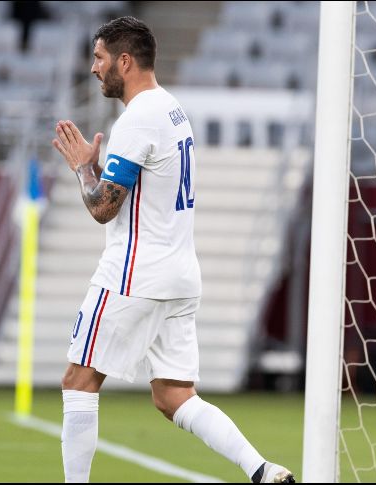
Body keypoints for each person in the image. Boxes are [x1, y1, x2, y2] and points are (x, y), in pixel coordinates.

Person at [50, 17, 295, 484]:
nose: (94, 68)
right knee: (174, 397)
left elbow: (103, 207)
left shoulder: (136, 118)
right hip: (180, 274)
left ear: (125, 60)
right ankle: (263, 470)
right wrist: (101, 170)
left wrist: (84, 168)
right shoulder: (172, 110)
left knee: (78, 381)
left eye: (100, 58)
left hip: (133, 274)